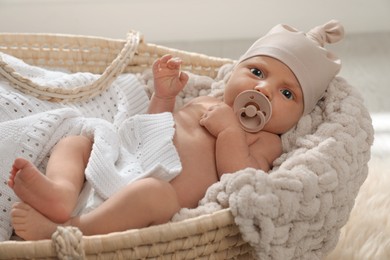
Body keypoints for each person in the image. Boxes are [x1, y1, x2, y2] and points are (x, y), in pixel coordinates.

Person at [8, 20, 344, 240]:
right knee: (77, 141)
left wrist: (230, 133)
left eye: (287, 93)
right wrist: (164, 96)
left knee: (155, 195)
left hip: (149, 193)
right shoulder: (208, 99)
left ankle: (71, 228)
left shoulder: (267, 140)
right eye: (257, 71)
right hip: (121, 162)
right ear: (236, 71)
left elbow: (240, 178)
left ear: (300, 114)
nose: (266, 89)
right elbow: (154, 128)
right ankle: (62, 192)